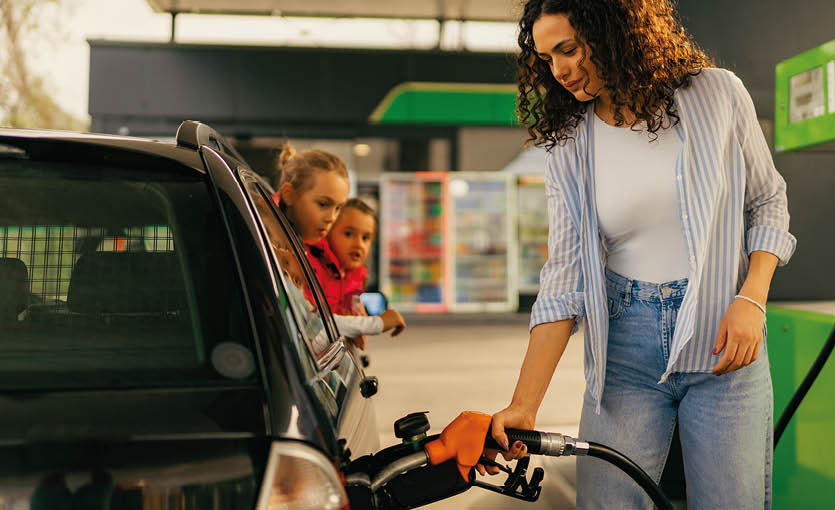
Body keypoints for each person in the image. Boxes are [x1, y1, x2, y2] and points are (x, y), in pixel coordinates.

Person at [482, 1, 796, 509]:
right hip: (624, 353)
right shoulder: (571, 144)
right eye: (546, 58)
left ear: (616, 33)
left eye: (569, 48)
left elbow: (767, 201)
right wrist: (525, 403)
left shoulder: (715, 94)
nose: (559, 69)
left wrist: (752, 298)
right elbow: (563, 277)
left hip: (722, 348)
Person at [275, 143, 405, 343]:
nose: (331, 218)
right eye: (323, 204)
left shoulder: (307, 248)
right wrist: (375, 324)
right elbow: (309, 328)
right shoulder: (277, 246)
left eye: (338, 208)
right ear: (289, 194)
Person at [326, 198, 406, 349]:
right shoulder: (317, 270)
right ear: (328, 231)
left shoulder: (355, 280)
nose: (358, 244)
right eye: (349, 234)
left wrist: (359, 328)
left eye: (366, 238)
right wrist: (373, 324)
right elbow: (316, 325)